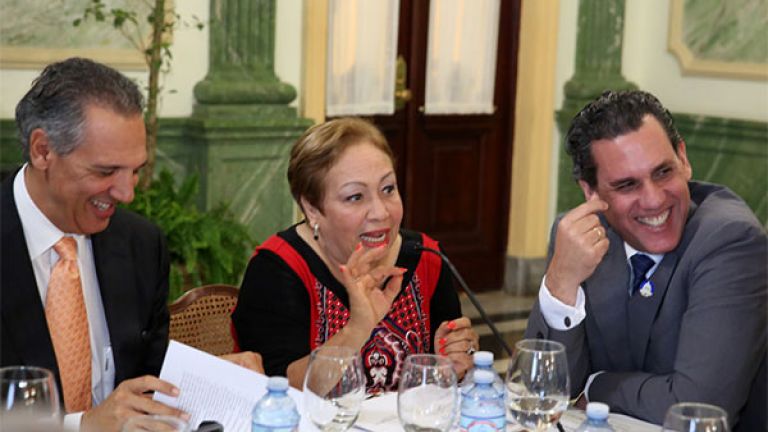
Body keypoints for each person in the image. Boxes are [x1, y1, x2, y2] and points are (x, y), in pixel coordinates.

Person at [0, 57, 263, 432]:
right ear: (42, 150)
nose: (126, 193)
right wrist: (83, 425)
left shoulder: (140, 244)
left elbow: (150, 381)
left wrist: (216, 377)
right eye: (105, 172)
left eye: (135, 170)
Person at [525, 90, 766, 429]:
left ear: (683, 158)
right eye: (627, 185)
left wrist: (598, 386)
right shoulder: (580, 238)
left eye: (663, 172)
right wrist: (560, 283)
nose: (653, 200)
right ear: (591, 193)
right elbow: (540, 388)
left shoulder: (730, 240)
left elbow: (697, 408)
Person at [232, 117, 479, 391]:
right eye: (355, 197)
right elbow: (279, 389)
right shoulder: (278, 269)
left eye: (388, 189)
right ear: (312, 208)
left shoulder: (426, 259)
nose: (381, 212)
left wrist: (452, 364)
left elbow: (443, 383)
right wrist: (357, 328)